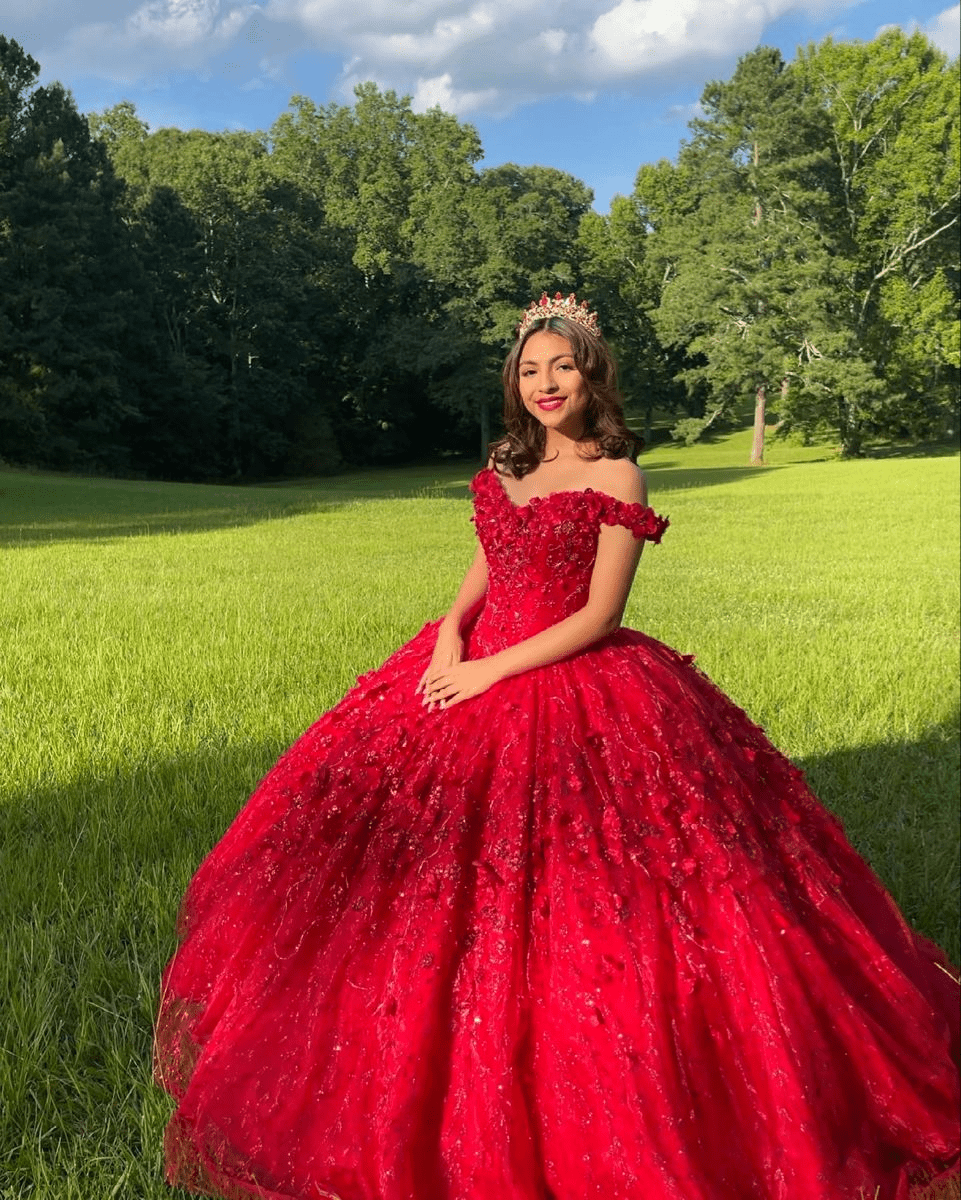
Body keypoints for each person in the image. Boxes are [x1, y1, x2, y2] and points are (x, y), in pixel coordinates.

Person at [154, 293, 960, 1200]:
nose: (545, 384)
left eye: (561, 367)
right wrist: (450, 636)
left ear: (591, 376)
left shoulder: (618, 476)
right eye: (529, 370)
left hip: (569, 674)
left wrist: (491, 673)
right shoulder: (504, 467)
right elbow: (485, 568)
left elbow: (600, 615)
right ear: (514, 383)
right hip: (473, 658)